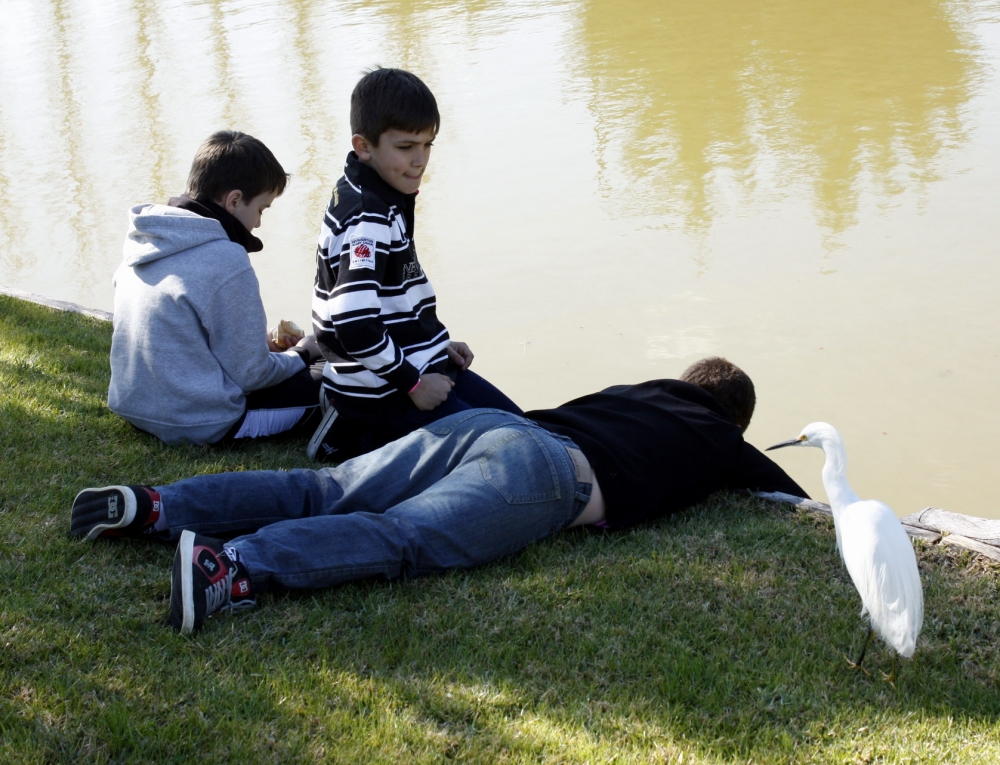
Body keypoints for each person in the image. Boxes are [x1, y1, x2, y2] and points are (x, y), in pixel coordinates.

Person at [71, 357, 807, 635]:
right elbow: (792, 495)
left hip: (489, 428)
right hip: (544, 477)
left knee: (324, 486)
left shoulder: (635, 390)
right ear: (733, 418)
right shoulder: (720, 439)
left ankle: (158, 505)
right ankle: (231, 568)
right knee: (403, 537)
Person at [307, 67, 521, 461]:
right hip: (387, 391)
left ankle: (370, 425)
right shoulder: (367, 218)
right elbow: (353, 322)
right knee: (508, 454)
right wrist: (413, 384)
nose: (420, 160)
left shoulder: (378, 190)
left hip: (415, 368)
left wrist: (434, 342)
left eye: (428, 145)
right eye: (406, 147)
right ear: (364, 146)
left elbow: (392, 296)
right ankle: (360, 436)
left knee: (524, 430)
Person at [108, 130, 324, 445]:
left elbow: (183, 333)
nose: (259, 224)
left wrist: (260, 344)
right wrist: (303, 353)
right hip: (200, 422)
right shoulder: (227, 258)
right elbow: (251, 376)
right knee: (335, 373)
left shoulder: (145, 240)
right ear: (234, 200)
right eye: (261, 209)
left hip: (135, 407)